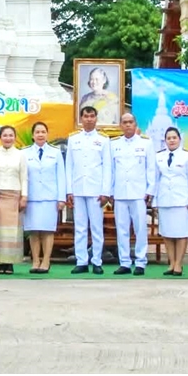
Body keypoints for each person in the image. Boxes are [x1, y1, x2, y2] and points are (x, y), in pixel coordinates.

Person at [66, 105, 113, 274]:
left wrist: (105, 192)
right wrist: (69, 190)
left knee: (96, 227)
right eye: (86, 116)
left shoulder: (103, 140)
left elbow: (108, 167)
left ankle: (97, 261)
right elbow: (69, 166)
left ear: (96, 118)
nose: (89, 119)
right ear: (81, 118)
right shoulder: (73, 139)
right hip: (78, 188)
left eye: (92, 116)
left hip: (96, 190)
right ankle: (81, 261)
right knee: (79, 227)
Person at [109, 113, 155, 275]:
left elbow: (151, 169)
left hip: (138, 193)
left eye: (130, 122)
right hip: (120, 193)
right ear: (120, 125)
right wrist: (110, 191)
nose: (128, 125)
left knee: (140, 228)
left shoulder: (146, 144)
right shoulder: (114, 144)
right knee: (122, 229)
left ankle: (141, 262)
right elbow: (111, 171)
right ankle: (125, 262)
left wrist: (150, 190)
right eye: (124, 122)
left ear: (135, 124)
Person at [24, 121, 67, 274]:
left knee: (48, 230)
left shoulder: (55, 152)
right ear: (33, 135)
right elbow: (23, 177)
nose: (40, 135)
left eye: (43, 132)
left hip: (50, 197)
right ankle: (35, 260)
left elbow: (61, 177)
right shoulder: (25, 153)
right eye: (37, 132)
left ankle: (46, 260)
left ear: (47, 134)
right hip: (31, 197)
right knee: (34, 231)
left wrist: (61, 198)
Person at [154, 127, 188, 276]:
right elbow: (156, 180)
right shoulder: (159, 156)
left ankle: (179, 263)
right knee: (167, 233)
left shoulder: (187, 156)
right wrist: (155, 201)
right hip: (164, 199)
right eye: (168, 138)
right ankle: (171, 263)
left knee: (181, 232)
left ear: (179, 139)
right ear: (165, 141)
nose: (171, 140)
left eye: (174, 138)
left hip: (182, 199)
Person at [0, 126, 28, 274]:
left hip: (14, 195)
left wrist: (24, 196)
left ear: (15, 137)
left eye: (11, 135)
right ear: (0, 137)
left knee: (12, 232)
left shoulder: (20, 154)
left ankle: (10, 263)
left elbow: (24, 177)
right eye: (5, 135)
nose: (8, 138)